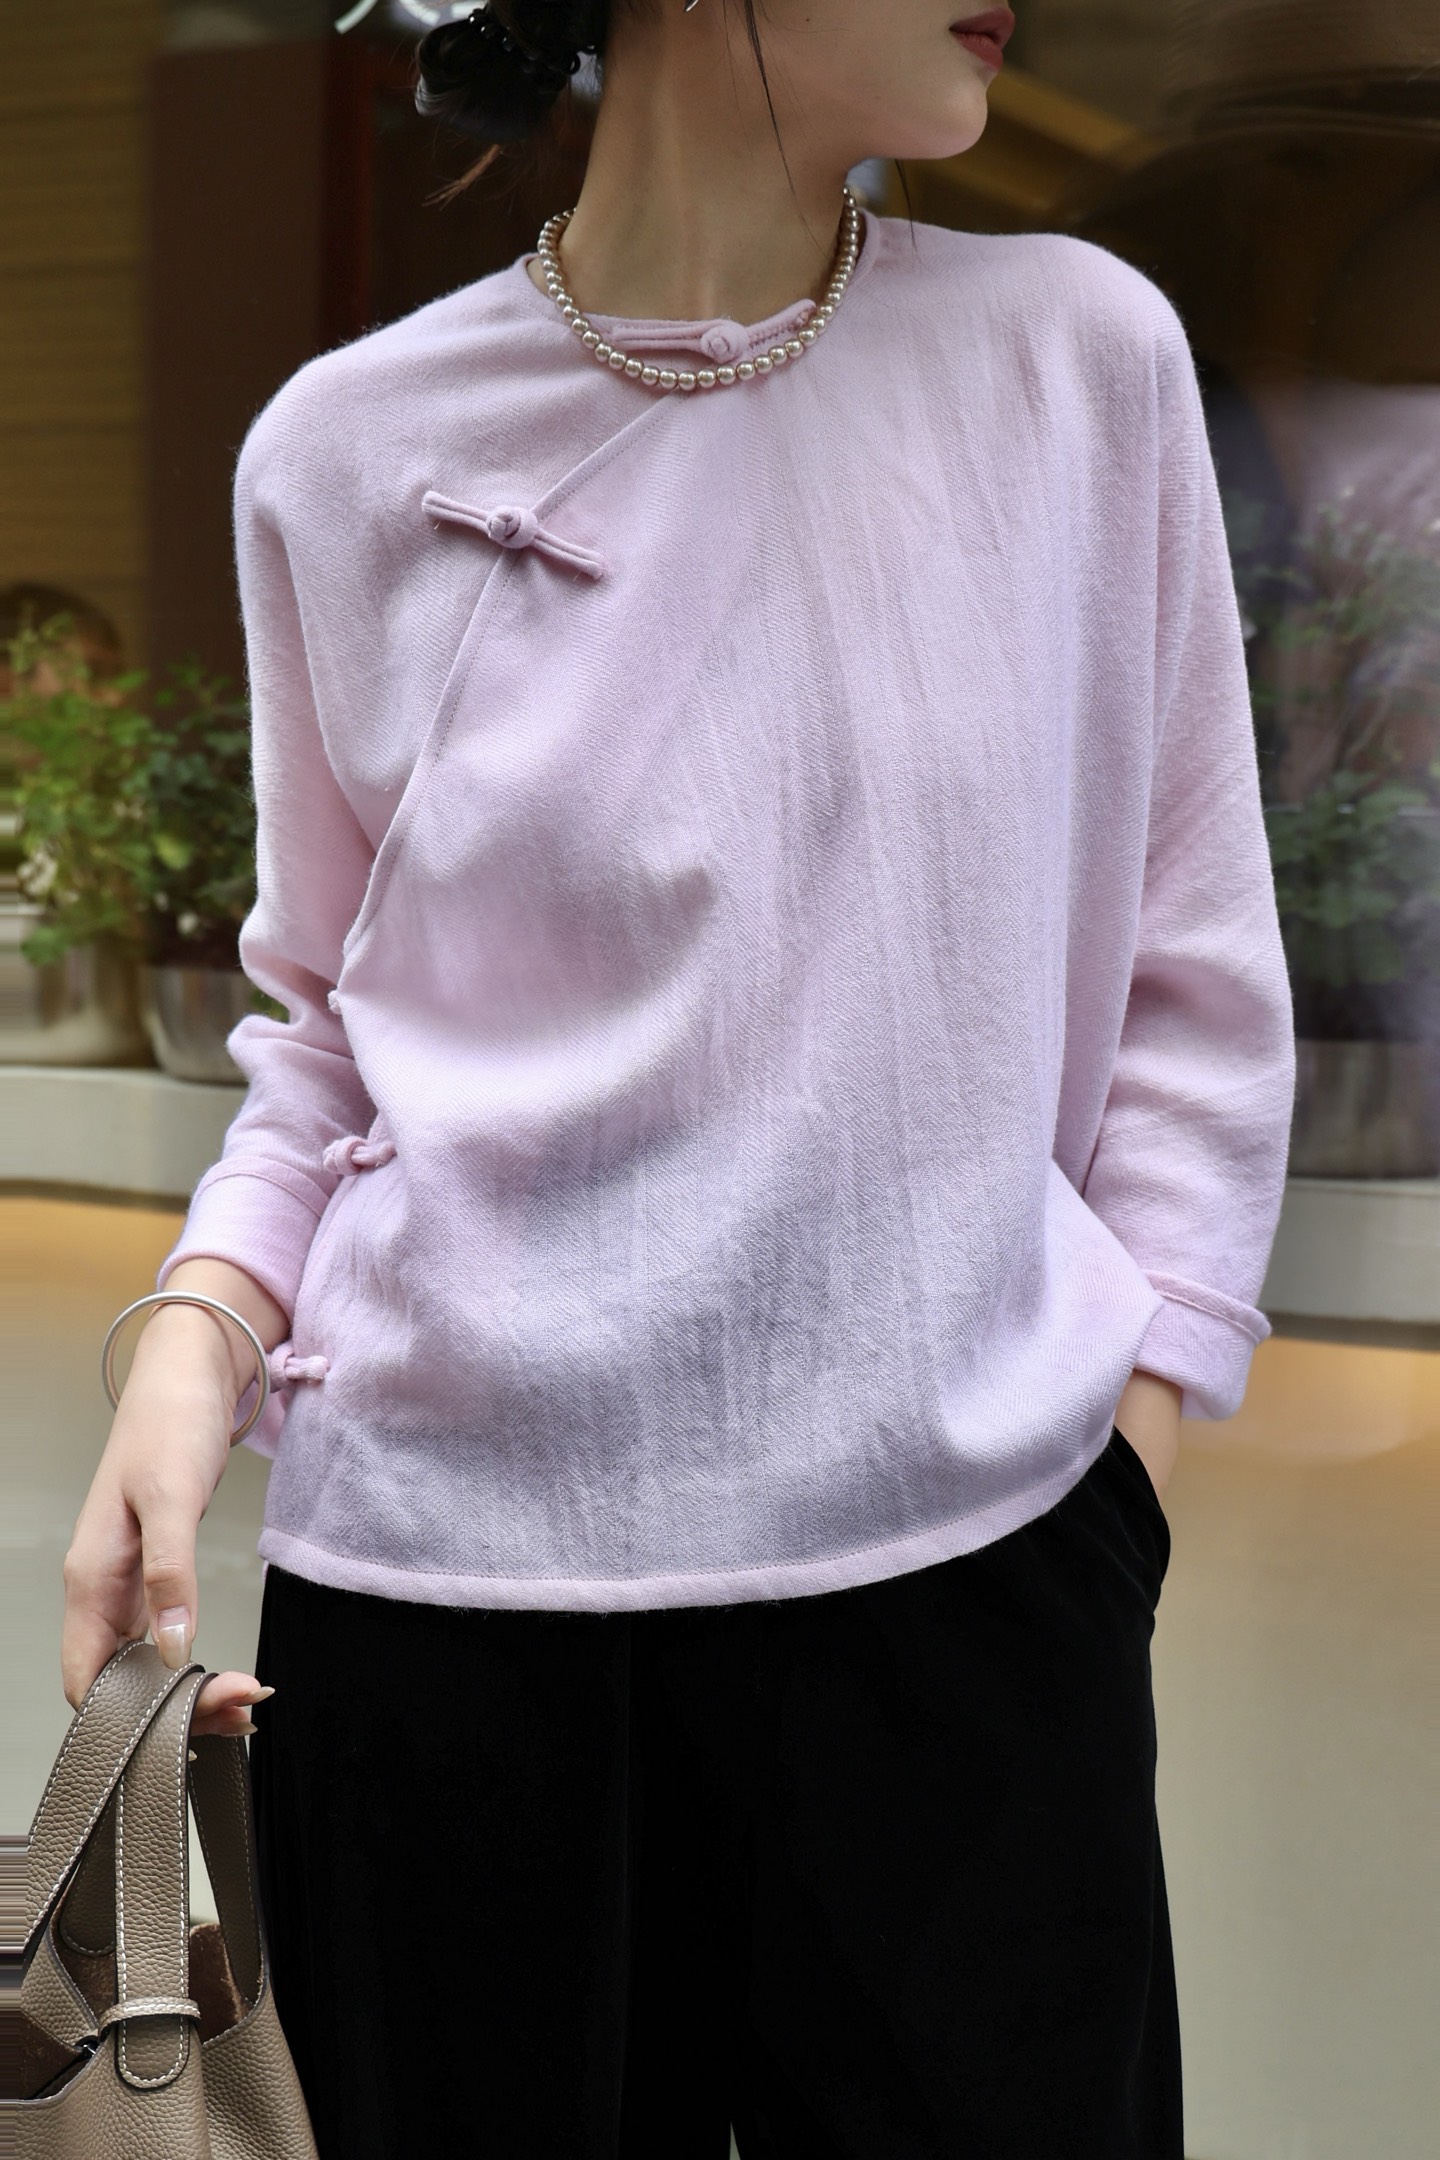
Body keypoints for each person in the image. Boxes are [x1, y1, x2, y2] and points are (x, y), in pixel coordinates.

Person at [59, 3, 1297, 2154]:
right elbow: (332, 1028)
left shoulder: (1078, 361)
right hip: (439, 1618)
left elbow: (1192, 981)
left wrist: (1120, 1481)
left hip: (973, 1590)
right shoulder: (343, 451)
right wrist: (196, 1337)